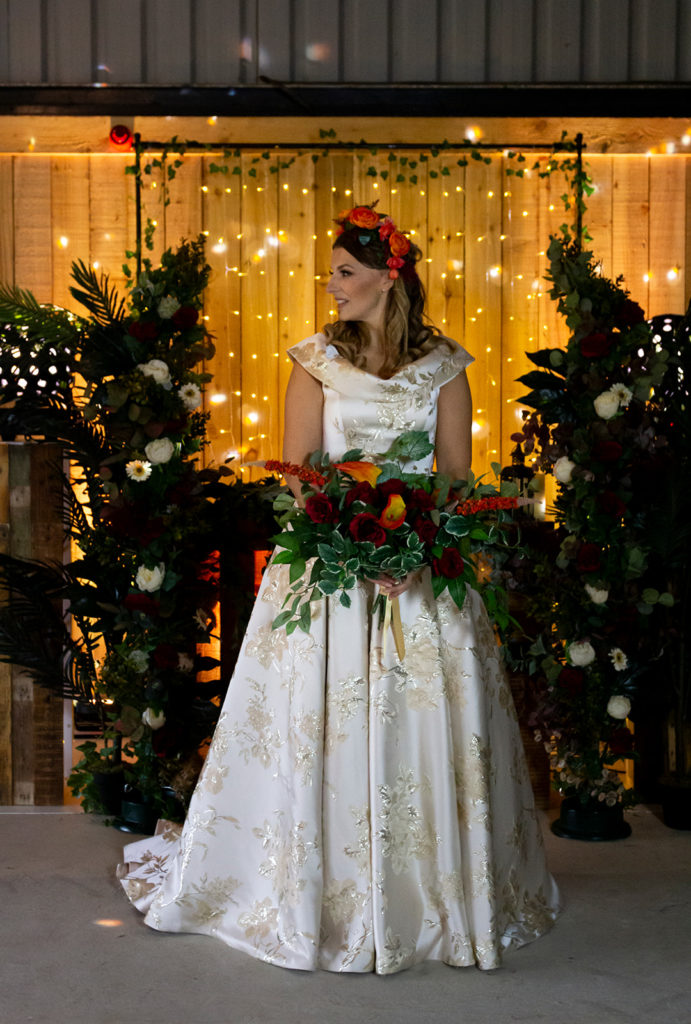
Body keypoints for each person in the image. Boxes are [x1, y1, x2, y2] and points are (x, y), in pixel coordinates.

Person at [118, 204, 561, 975]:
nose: (331, 286)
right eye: (330, 273)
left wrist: (417, 550)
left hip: (422, 573)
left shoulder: (446, 366)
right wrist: (354, 544)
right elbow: (299, 477)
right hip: (329, 570)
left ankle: (433, 895)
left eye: (344, 273)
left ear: (390, 278)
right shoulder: (313, 360)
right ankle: (314, 891)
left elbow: (453, 480)